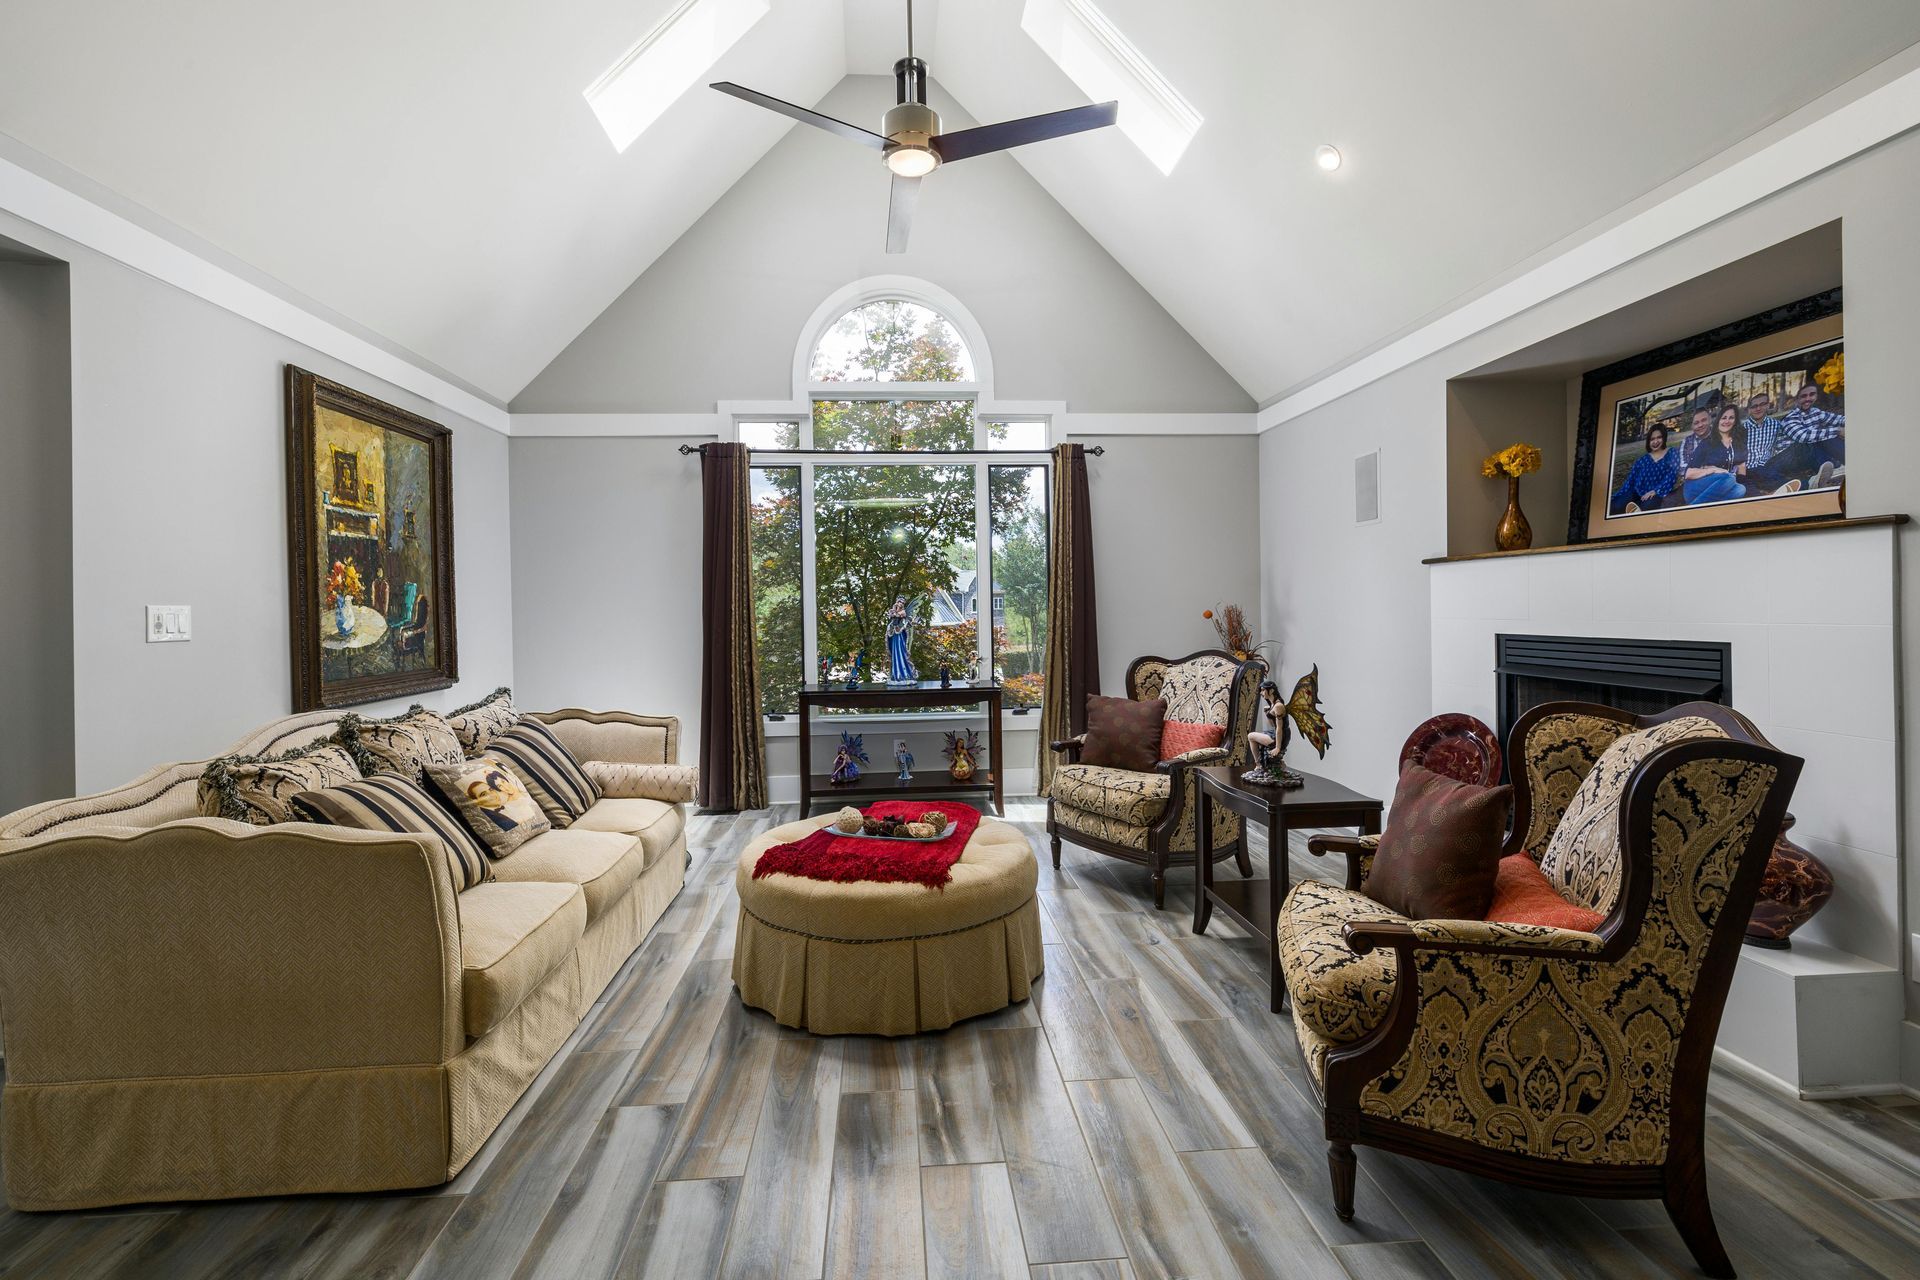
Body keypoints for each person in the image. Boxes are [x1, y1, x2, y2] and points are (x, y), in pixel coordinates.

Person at [1777, 378, 1845, 489]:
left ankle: (1839, 465)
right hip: (1788, 457)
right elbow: (1802, 437)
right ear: (1797, 399)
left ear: (1816, 396)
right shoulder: (1790, 417)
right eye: (1803, 396)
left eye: (1812, 394)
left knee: (1822, 434)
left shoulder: (1815, 412)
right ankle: (1837, 467)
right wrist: (1838, 430)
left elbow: (1838, 419)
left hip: (1809, 454)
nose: (1808, 399)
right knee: (1819, 436)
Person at [1610, 422, 1683, 514]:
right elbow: (1630, 481)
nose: (1655, 441)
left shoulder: (1672, 453)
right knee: (1617, 505)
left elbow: (1672, 475)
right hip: (1637, 491)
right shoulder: (1642, 460)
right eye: (1652, 439)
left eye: (1659, 437)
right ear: (1648, 441)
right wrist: (1617, 495)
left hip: (1658, 494)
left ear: (1664, 437)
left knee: (1643, 509)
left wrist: (1656, 491)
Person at [1683, 404, 1746, 505]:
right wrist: (1712, 470)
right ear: (1718, 421)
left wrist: (1739, 482)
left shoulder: (1737, 441)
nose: (1727, 421)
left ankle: (1701, 507)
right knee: (1729, 477)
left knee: (1741, 489)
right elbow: (1688, 473)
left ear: (1735, 421)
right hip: (1695, 488)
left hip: (1722, 486)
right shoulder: (1707, 443)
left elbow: (1741, 466)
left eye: (1731, 418)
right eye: (1723, 418)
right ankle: (1693, 510)